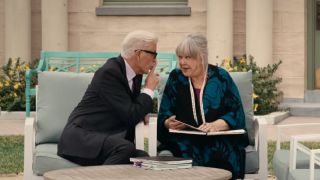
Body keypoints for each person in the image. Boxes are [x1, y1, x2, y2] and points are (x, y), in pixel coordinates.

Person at [58, 30, 160, 166]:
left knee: (143, 159)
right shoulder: (110, 73)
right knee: (125, 149)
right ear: (138, 54)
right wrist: (148, 89)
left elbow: (128, 109)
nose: (155, 60)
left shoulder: (134, 75)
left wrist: (141, 114)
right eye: (153, 54)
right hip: (81, 138)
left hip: (104, 138)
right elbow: (131, 114)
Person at [157, 33, 249, 179]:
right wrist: (168, 123)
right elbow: (164, 113)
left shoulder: (221, 77)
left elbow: (237, 112)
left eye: (188, 57)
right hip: (183, 140)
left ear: (202, 57)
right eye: (180, 57)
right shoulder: (175, 78)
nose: (182, 62)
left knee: (220, 154)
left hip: (218, 139)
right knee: (184, 153)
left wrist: (219, 124)